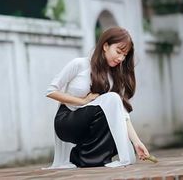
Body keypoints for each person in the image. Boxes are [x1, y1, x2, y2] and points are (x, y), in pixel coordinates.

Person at [45, 26, 150, 169]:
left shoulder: (113, 77)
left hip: (89, 125)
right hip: (67, 122)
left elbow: (121, 113)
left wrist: (137, 142)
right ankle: (83, 156)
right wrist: (82, 101)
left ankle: (83, 158)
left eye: (124, 55)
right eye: (118, 52)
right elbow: (51, 91)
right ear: (105, 46)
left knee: (115, 112)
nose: (121, 58)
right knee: (111, 100)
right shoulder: (79, 64)